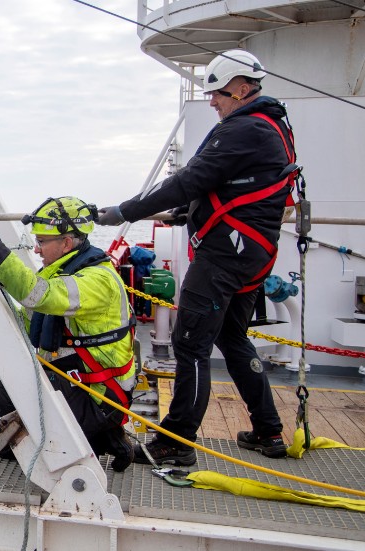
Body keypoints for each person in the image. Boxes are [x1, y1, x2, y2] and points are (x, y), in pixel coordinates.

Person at [95, 49, 295, 465]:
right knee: (231, 337)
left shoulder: (244, 129)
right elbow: (238, 186)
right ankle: (269, 431)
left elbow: (191, 178)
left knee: (189, 345)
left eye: (219, 93)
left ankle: (176, 441)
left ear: (243, 88)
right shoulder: (271, 127)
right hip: (253, 252)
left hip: (225, 254)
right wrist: (193, 211)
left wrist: (126, 210)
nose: (213, 101)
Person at [0, 196, 137, 472]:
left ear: (66, 243)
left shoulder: (97, 280)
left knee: (7, 441)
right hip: (83, 387)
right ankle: (104, 437)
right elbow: (30, 322)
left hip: (100, 398)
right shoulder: (64, 273)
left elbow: (40, 296)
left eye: (42, 242)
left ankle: (100, 434)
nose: (36, 248)